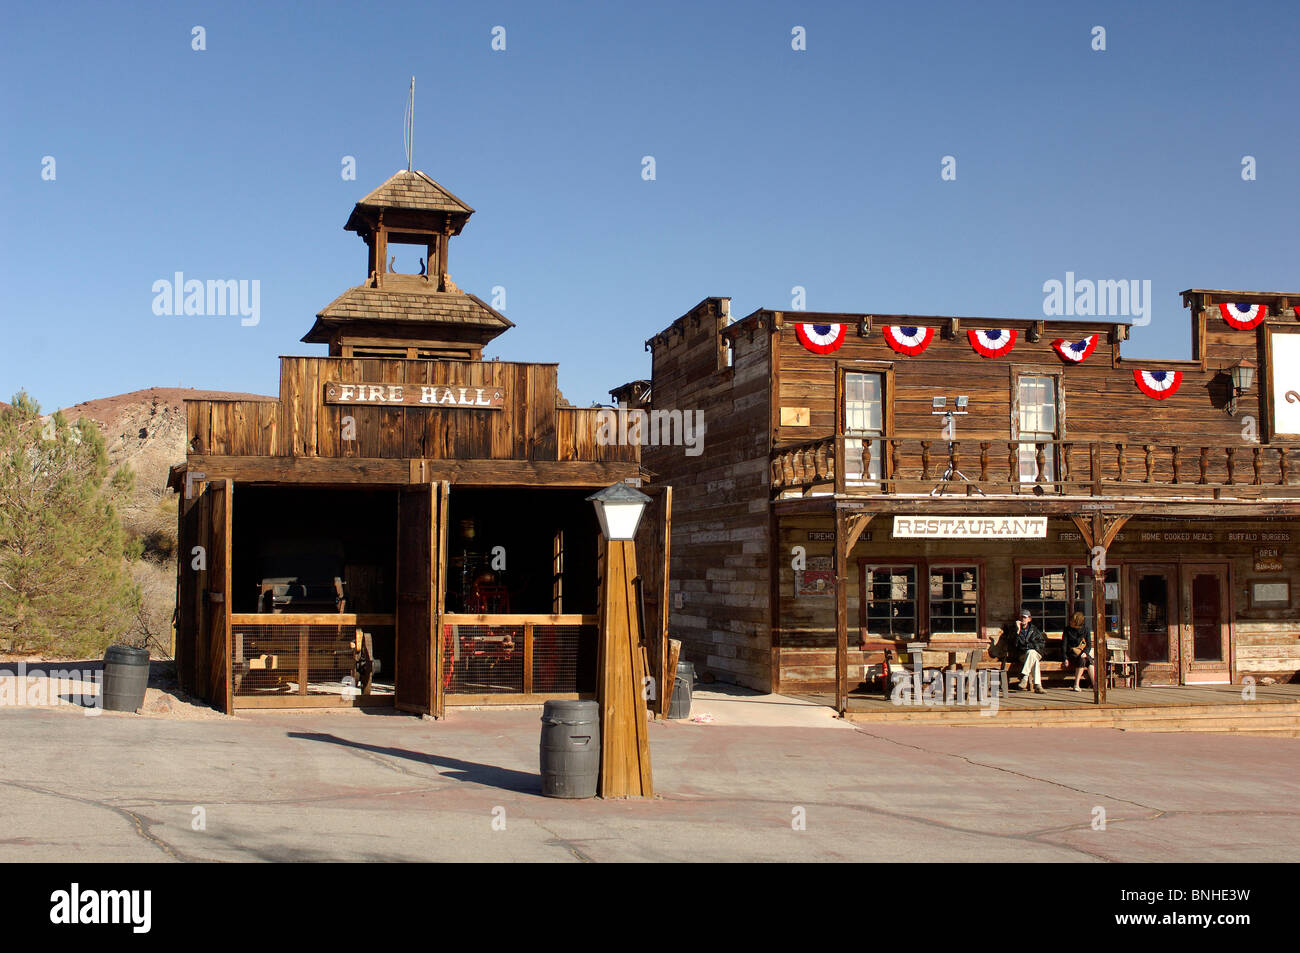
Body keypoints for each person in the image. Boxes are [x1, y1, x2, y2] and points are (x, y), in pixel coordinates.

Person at [1015, 606, 1046, 693]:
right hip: (1022, 655)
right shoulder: (1014, 629)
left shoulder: (1034, 630)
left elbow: (1041, 644)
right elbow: (1015, 645)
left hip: (1036, 653)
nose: (1023, 619)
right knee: (1034, 660)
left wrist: (1028, 646)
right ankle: (1038, 685)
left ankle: (1024, 677)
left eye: (1025, 617)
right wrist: (1018, 631)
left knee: (1031, 652)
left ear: (1029, 619)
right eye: (1021, 617)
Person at [1062, 610, 1095, 692]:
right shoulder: (1067, 630)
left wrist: (1085, 652)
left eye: (1072, 621)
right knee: (1085, 660)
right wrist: (1065, 658)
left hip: (1082, 652)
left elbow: (1089, 644)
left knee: (1087, 660)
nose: (1070, 622)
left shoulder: (1086, 630)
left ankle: (1094, 684)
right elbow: (1064, 645)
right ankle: (1076, 684)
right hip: (1071, 652)